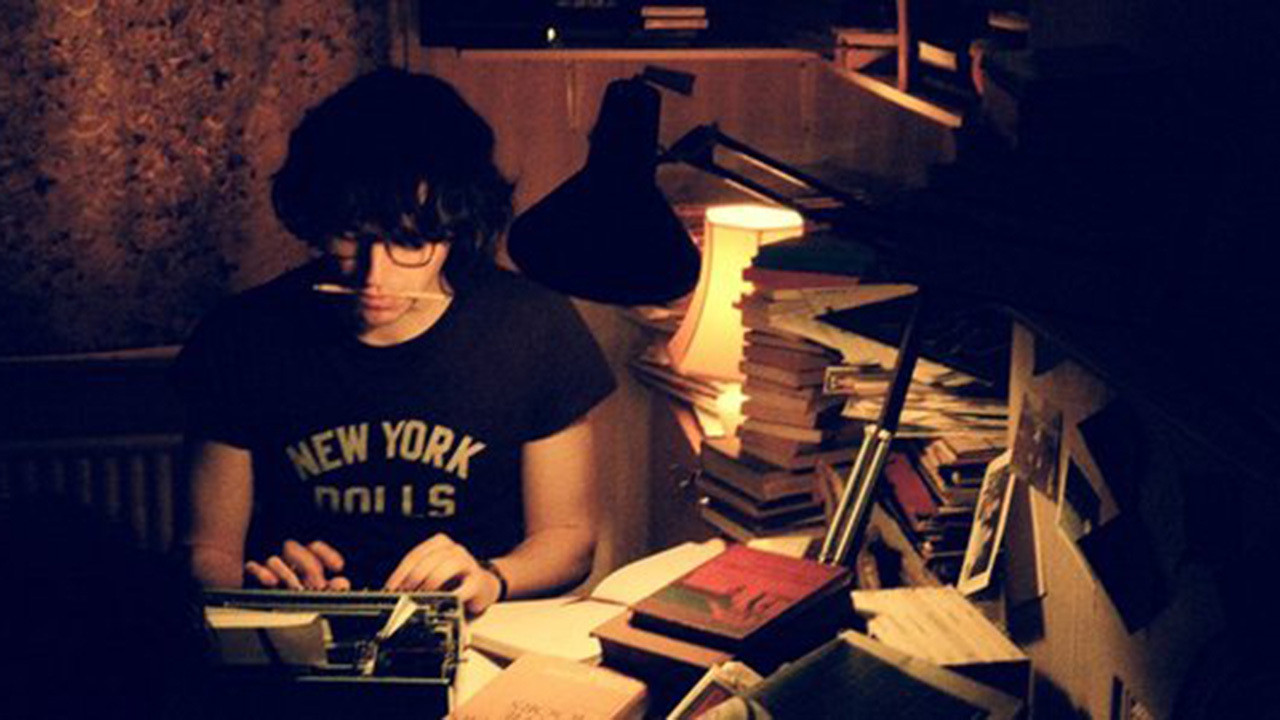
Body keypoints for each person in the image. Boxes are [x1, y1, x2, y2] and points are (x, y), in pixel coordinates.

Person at [175, 67, 616, 615]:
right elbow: (205, 549)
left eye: (409, 242)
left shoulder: (534, 327)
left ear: (454, 226)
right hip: (295, 629)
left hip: (470, 632)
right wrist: (251, 586)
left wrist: (492, 578)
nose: (374, 277)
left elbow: (569, 539)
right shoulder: (242, 336)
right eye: (351, 239)